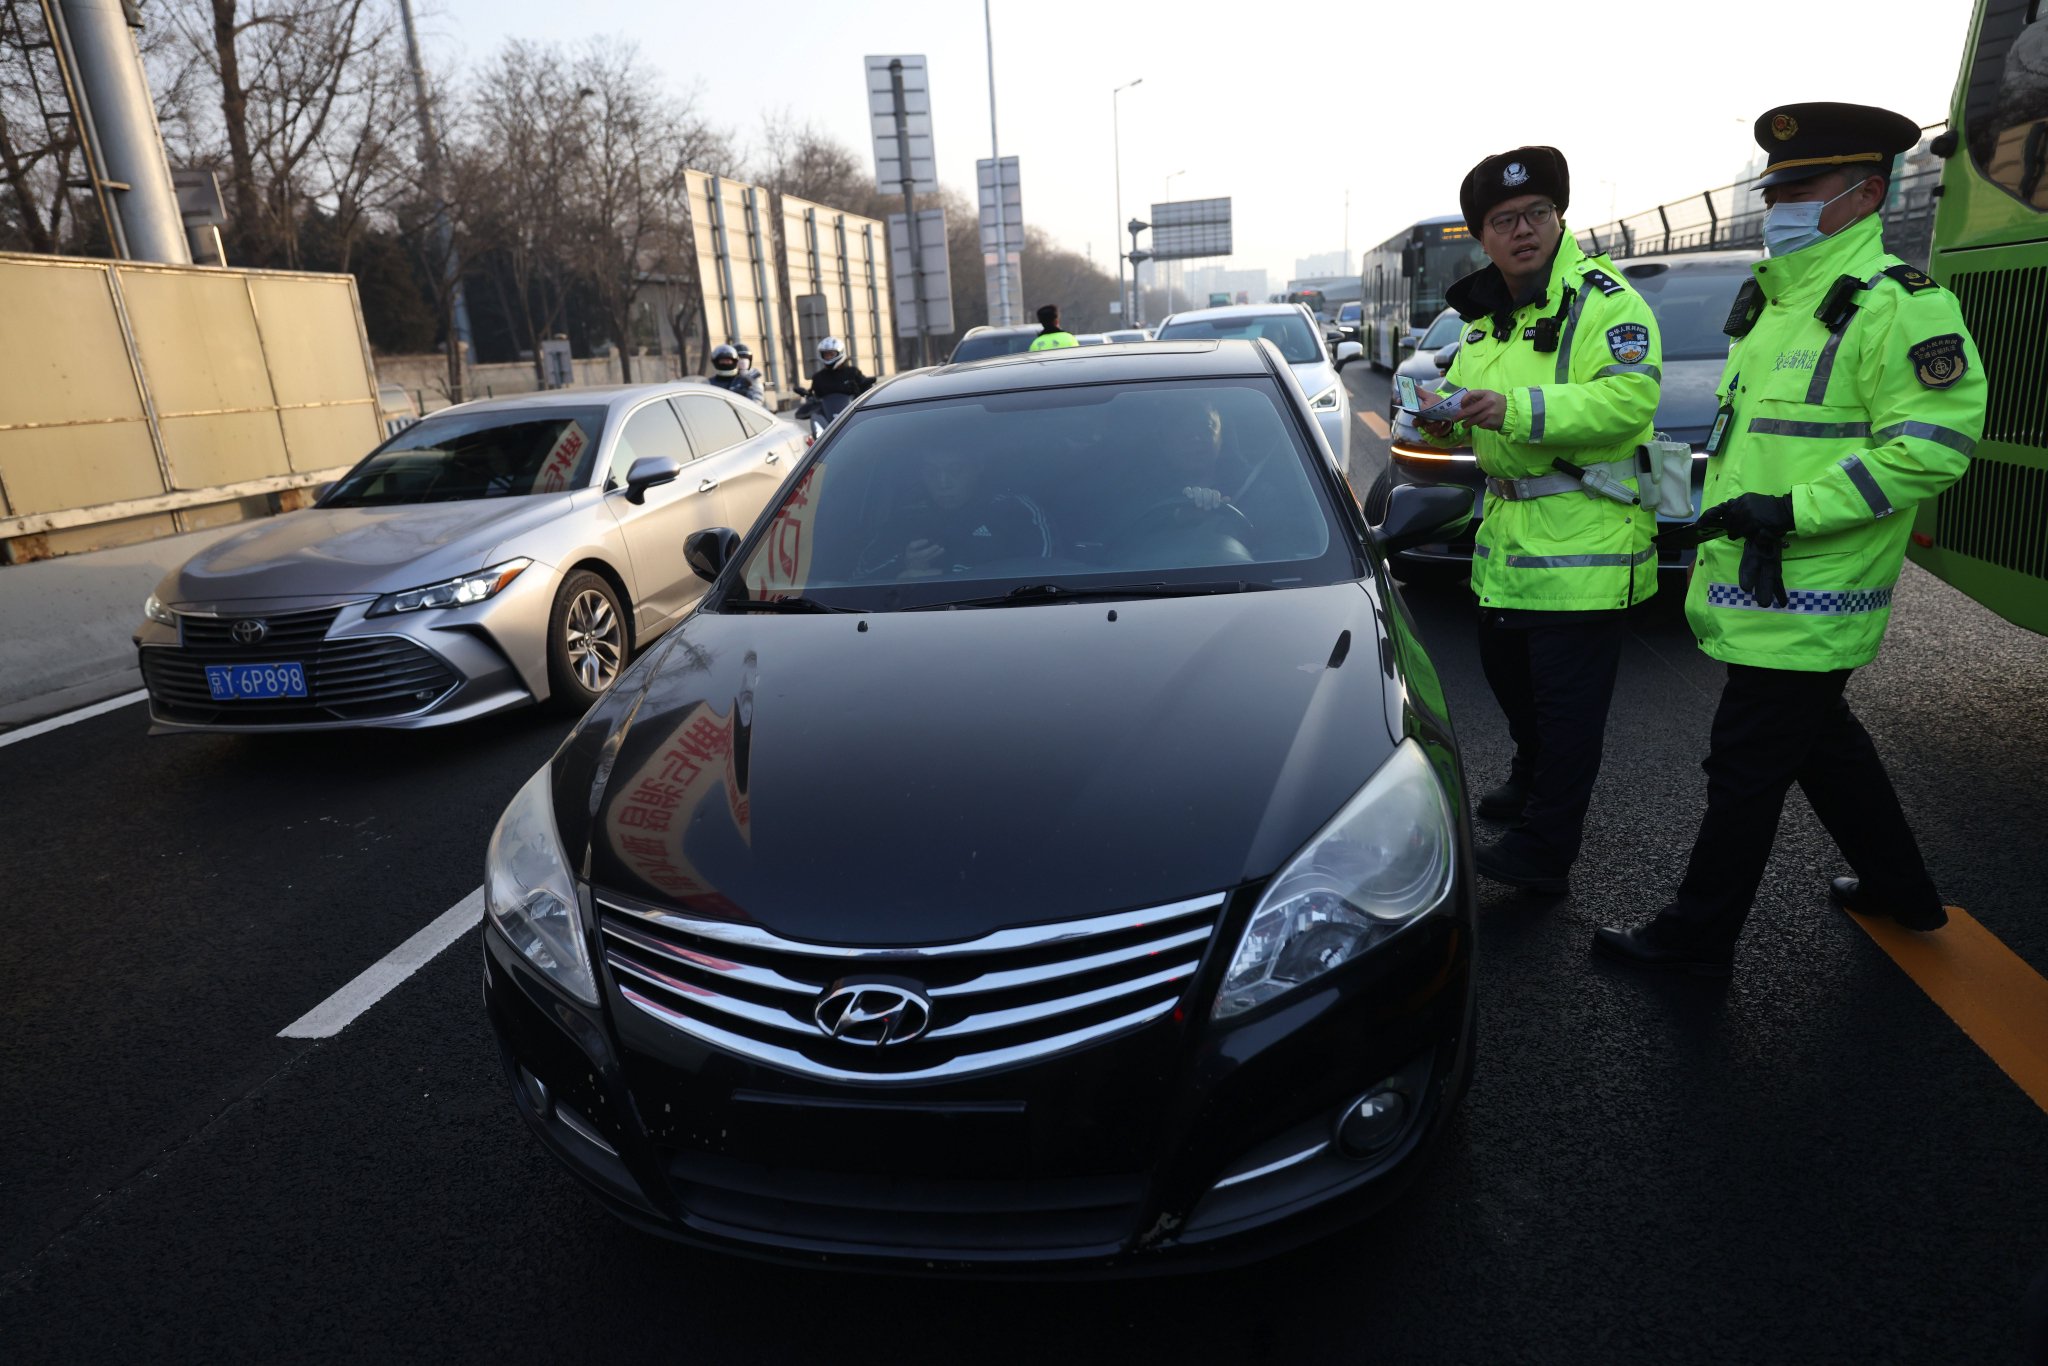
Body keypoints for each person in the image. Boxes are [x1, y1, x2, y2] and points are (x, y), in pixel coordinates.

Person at [1594, 102, 1987, 975]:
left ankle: (1695, 941)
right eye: (1774, 189)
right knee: (1825, 746)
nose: (1778, 205)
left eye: (1799, 188)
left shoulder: (1901, 308)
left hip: (1814, 585)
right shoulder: (1777, 306)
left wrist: (1795, 511)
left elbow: (1934, 446)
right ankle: (1903, 890)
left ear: (1866, 193)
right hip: (1758, 581)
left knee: (1746, 766)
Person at [1414, 145, 1662, 896]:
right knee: (1508, 677)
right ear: (1482, 236)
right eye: (1503, 220)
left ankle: (1546, 850)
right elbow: (1463, 404)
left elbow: (1627, 402)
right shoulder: (1488, 321)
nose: (1522, 230)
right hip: (1508, 544)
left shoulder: (1606, 302)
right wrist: (1440, 423)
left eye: (1536, 214)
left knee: (1565, 713)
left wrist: (1515, 410)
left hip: (1587, 543)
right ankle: (1527, 779)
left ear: (1559, 220)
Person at [854, 448, 1052, 579]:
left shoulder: (1015, 511)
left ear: (977, 467)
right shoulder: (906, 517)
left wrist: (950, 576)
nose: (943, 483)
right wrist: (903, 566)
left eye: (955, 470)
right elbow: (858, 578)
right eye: (931, 472)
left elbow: (1047, 572)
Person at [806, 335, 873, 407]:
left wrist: (862, 387)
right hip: (827, 415)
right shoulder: (818, 377)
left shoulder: (852, 372)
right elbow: (816, 399)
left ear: (840, 353)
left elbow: (866, 393)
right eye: (826, 355)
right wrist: (808, 395)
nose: (828, 357)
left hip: (849, 412)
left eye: (831, 354)